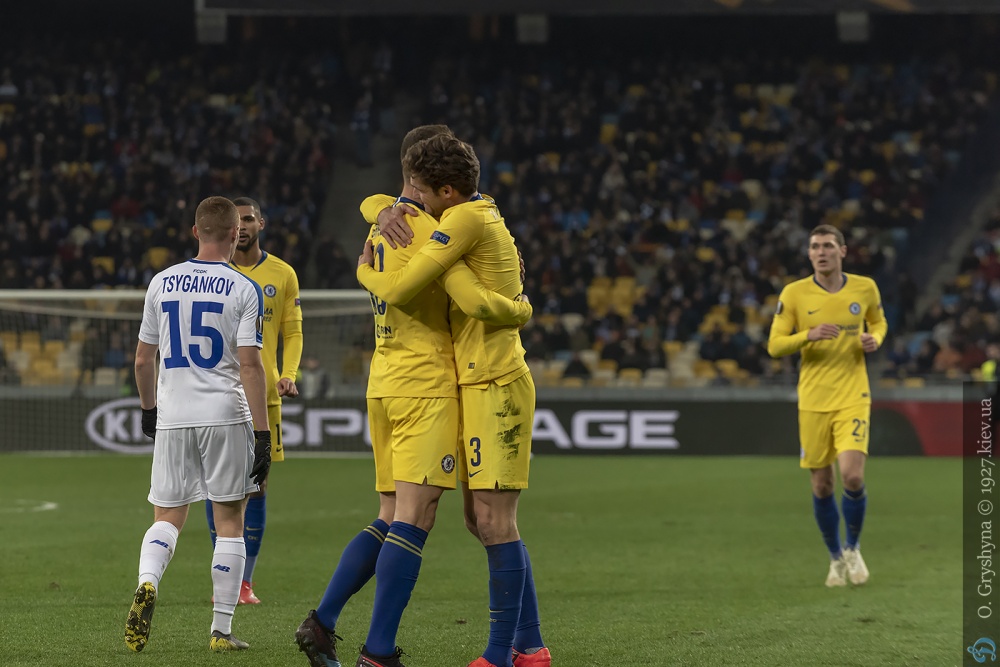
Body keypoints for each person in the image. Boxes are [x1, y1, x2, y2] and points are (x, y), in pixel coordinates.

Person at [294, 125, 532, 667]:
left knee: (389, 513)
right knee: (415, 519)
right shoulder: (430, 228)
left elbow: (375, 204)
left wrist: (375, 219)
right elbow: (468, 297)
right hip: (427, 384)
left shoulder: (383, 221)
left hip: (383, 380)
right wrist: (517, 302)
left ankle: (322, 622)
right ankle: (378, 653)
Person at [357, 133, 550, 667]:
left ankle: (499, 654)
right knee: (480, 520)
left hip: (497, 383)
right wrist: (383, 208)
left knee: (494, 521)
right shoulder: (465, 214)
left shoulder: (463, 220)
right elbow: (380, 204)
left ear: (446, 191)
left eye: (419, 190)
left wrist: (364, 271)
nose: (412, 199)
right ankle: (530, 646)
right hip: (473, 382)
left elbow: (432, 296)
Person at [124, 196, 271, 653]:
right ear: (234, 234)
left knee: (167, 516)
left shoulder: (161, 282)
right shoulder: (244, 287)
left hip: (173, 415)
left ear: (195, 231)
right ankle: (221, 630)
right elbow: (251, 366)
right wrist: (263, 434)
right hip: (224, 414)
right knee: (229, 521)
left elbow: (143, 359)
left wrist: (149, 410)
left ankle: (148, 581)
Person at [767, 224, 887, 587]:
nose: (821, 252)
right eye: (815, 247)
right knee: (822, 485)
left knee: (852, 476)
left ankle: (853, 547)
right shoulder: (795, 293)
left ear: (842, 251)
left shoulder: (864, 288)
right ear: (809, 254)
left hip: (853, 396)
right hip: (814, 400)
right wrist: (808, 335)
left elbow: (879, 321)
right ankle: (834, 557)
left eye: (828, 246)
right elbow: (774, 345)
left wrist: (875, 338)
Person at [204, 196, 302, 605]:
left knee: (257, 486)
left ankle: (244, 581)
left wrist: (289, 374)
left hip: (263, 396)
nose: (243, 226)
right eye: (237, 220)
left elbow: (292, 331)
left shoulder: (282, 273)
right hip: (219, 394)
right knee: (216, 487)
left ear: (261, 223)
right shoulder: (212, 273)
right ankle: (224, 578)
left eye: (249, 219)